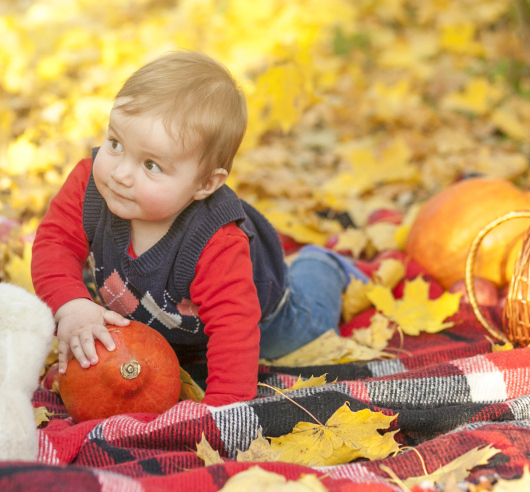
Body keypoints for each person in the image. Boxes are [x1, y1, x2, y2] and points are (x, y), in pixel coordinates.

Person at [31, 51, 365, 407]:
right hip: (167, 320)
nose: (120, 173)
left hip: (264, 319)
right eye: (116, 144)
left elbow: (234, 329)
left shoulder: (215, 241)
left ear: (206, 183)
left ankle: (323, 264)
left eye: (151, 165)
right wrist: (72, 304)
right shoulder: (91, 186)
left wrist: (222, 413)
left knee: (303, 333)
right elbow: (55, 243)